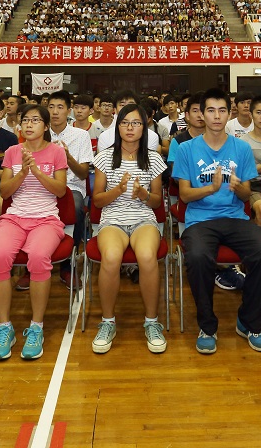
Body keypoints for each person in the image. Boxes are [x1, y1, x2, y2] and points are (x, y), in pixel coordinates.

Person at [173, 88, 261, 354]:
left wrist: (238, 187)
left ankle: (249, 322)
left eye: (221, 110)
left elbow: (246, 193)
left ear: (228, 113)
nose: (216, 116)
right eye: (210, 110)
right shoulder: (186, 149)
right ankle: (207, 326)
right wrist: (211, 187)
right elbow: (184, 195)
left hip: (235, 217)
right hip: (200, 220)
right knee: (197, 258)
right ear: (201, 114)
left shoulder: (241, 147)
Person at [0, 104, 69, 361]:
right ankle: (5, 328)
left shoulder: (57, 152)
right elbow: (5, 193)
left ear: (46, 126)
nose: (30, 124)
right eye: (25, 120)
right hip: (14, 218)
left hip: (46, 220)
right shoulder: (13, 151)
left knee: (37, 258)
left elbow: (60, 191)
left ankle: (36, 327)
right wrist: (23, 171)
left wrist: (36, 171)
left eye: (36, 120)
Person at [89, 103, 168, 354]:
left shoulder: (153, 158)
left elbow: (157, 202)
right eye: (125, 123)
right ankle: (108, 321)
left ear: (144, 127)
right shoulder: (104, 157)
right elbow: (98, 201)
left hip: (144, 218)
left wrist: (144, 194)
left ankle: (152, 322)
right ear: (117, 126)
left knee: (146, 257)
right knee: (111, 258)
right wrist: (119, 191)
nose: (130, 128)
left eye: (135, 123)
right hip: (112, 219)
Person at [44, 91, 94, 290]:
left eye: (60, 107)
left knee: (75, 206)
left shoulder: (80, 135)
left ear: (69, 111)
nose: (55, 112)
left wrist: (67, 157)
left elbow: (83, 174)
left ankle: (68, 265)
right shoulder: (39, 132)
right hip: (43, 186)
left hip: (71, 186)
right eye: (51, 107)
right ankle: (33, 266)